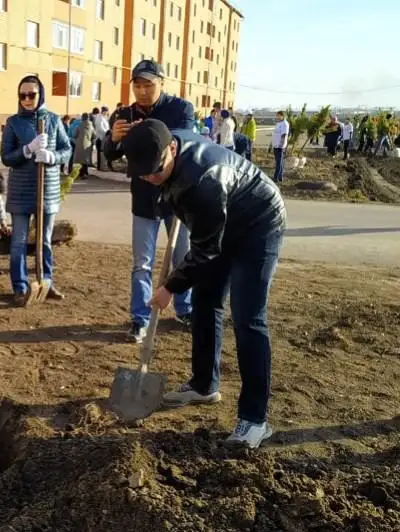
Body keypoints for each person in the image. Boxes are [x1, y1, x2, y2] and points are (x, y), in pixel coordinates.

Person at [122, 119, 286, 449]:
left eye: (156, 171)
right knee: (206, 301)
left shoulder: (203, 180)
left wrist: (170, 287)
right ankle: (204, 385)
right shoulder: (164, 148)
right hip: (219, 219)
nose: (151, 178)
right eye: (144, 174)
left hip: (257, 223)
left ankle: (255, 420)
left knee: (248, 318)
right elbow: (204, 235)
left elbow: (207, 248)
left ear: (172, 150)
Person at [103, 59, 194, 342]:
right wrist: (113, 139)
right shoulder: (124, 113)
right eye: (137, 85)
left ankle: (185, 309)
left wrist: (149, 133)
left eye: (148, 85)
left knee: (181, 257)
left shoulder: (180, 109)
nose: (142, 91)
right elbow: (110, 155)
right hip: (143, 198)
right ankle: (139, 319)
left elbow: (185, 141)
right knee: (141, 263)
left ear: (162, 83)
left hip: (176, 198)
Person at [0, 74, 72, 306]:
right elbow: (6, 157)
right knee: (19, 241)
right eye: (23, 95)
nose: (27, 99)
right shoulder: (13, 123)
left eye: (32, 94)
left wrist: (53, 156)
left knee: (45, 241)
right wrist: (27, 150)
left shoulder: (53, 120)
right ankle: (20, 287)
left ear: (41, 95)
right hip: (21, 190)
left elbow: (66, 149)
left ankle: (46, 281)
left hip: (47, 189)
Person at [75, 112, 96, 179]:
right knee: (85, 159)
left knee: (81, 160)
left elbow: (75, 134)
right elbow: (94, 135)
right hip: (87, 144)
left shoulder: (79, 125)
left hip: (79, 144)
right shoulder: (91, 126)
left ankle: (81, 173)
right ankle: (85, 173)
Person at [272, 111, 290, 183]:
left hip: (279, 146)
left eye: (279, 116)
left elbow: (284, 135)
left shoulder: (285, 124)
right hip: (275, 145)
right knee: (280, 162)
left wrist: (281, 145)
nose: (277, 117)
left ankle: (276, 177)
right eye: (277, 116)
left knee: (279, 162)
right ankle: (280, 177)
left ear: (283, 116)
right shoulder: (278, 123)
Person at [93, 106, 110, 170]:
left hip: (103, 137)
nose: (107, 113)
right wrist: (107, 132)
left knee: (101, 152)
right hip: (100, 138)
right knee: (100, 152)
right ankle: (100, 167)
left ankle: (101, 166)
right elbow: (100, 128)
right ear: (104, 111)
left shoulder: (103, 117)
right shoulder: (99, 117)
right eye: (106, 111)